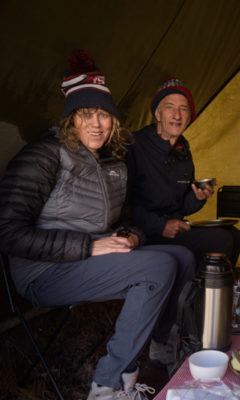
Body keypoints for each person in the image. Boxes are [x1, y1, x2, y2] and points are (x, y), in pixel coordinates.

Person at [0, 50, 195, 400]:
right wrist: (88, 246)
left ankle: (161, 348)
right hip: (44, 271)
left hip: (91, 261)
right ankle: (109, 385)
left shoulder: (110, 161)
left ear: (114, 121)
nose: (96, 123)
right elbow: (8, 232)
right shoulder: (42, 156)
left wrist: (132, 237)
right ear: (70, 119)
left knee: (181, 256)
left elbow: (125, 220)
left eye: (104, 115)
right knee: (159, 267)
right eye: (86, 114)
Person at [126, 78, 240, 270]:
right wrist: (160, 225)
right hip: (144, 232)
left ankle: (215, 292)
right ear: (157, 113)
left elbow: (181, 206)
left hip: (175, 227)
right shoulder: (135, 147)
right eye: (170, 107)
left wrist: (198, 197)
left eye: (184, 109)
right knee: (221, 240)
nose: (177, 115)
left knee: (234, 234)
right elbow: (122, 207)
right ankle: (196, 296)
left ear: (190, 117)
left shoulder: (182, 151)